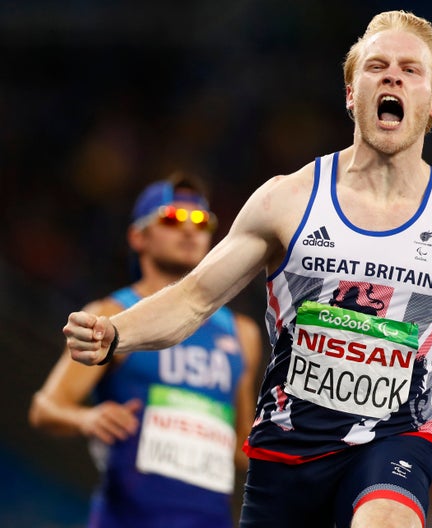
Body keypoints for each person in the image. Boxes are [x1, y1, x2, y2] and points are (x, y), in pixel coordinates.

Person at [63, 11, 432, 528]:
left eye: (410, 70)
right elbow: (192, 300)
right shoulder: (284, 201)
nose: (392, 77)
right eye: (377, 66)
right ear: (351, 92)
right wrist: (119, 333)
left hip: (392, 439)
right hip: (285, 450)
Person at [31, 173, 262, 528]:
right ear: (138, 236)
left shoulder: (242, 333)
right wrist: (87, 418)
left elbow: (242, 445)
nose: (189, 230)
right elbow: (44, 408)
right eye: (172, 218)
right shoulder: (110, 317)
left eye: (201, 221)